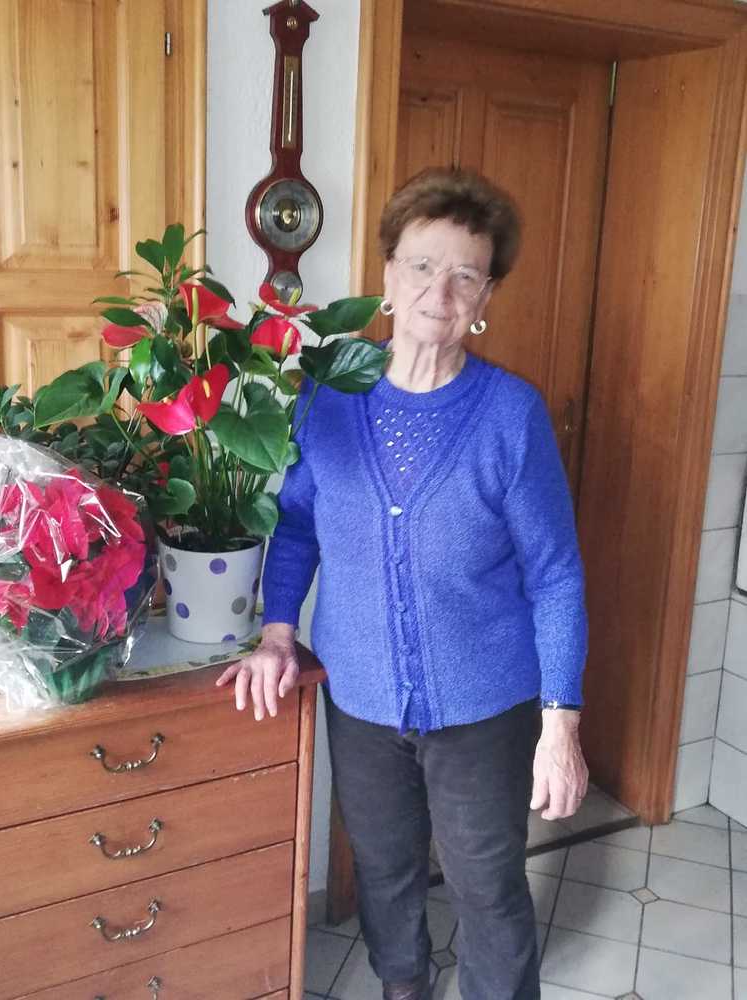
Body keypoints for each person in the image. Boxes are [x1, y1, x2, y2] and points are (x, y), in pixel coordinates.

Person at [217, 167, 589, 1000]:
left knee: (487, 886)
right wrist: (277, 631)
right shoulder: (327, 396)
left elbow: (556, 573)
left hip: (484, 706)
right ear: (387, 277)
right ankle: (404, 988)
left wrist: (560, 722)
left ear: (486, 295)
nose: (439, 290)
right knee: (383, 870)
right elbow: (298, 526)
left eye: (466, 274)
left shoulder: (511, 414)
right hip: (362, 698)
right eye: (422, 265)